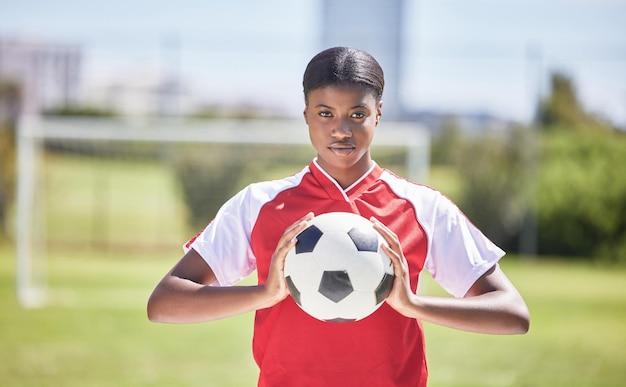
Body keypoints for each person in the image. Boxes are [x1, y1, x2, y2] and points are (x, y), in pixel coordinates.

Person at [147, 46, 530, 386]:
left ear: (378, 114)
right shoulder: (258, 204)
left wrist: (413, 305)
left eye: (357, 114)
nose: (341, 129)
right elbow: (164, 304)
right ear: (307, 115)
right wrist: (265, 294)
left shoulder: (423, 208)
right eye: (325, 113)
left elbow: (512, 314)